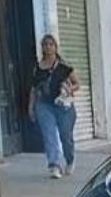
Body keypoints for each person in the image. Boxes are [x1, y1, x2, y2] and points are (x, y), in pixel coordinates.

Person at [29, 34, 80, 179]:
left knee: (66, 136)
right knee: (49, 135)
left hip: (63, 106)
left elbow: (77, 83)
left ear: (55, 47)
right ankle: (54, 165)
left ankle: (70, 159)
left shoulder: (63, 67)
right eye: (45, 44)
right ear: (42, 48)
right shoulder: (37, 68)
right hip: (44, 105)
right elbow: (33, 89)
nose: (48, 47)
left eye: (51, 44)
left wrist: (69, 89)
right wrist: (31, 107)